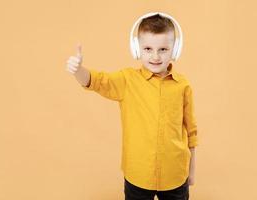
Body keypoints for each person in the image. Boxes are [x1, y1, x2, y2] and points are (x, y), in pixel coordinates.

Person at [66, 12, 198, 200]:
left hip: (175, 175)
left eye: (163, 49)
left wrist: (191, 171)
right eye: (147, 49)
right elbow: (97, 81)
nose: (155, 56)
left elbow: (191, 131)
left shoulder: (183, 85)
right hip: (138, 175)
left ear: (175, 49)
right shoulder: (127, 80)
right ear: (136, 48)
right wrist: (79, 70)